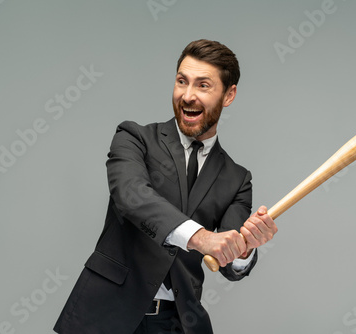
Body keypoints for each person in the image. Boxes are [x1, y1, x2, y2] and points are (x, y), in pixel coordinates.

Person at [53, 39, 278, 334]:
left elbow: (224, 255)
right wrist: (199, 237)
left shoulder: (237, 179)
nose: (187, 96)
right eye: (181, 81)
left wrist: (245, 249)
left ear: (229, 94)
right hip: (105, 314)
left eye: (203, 85)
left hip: (177, 323)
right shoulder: (135, 138)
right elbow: (132, 196)